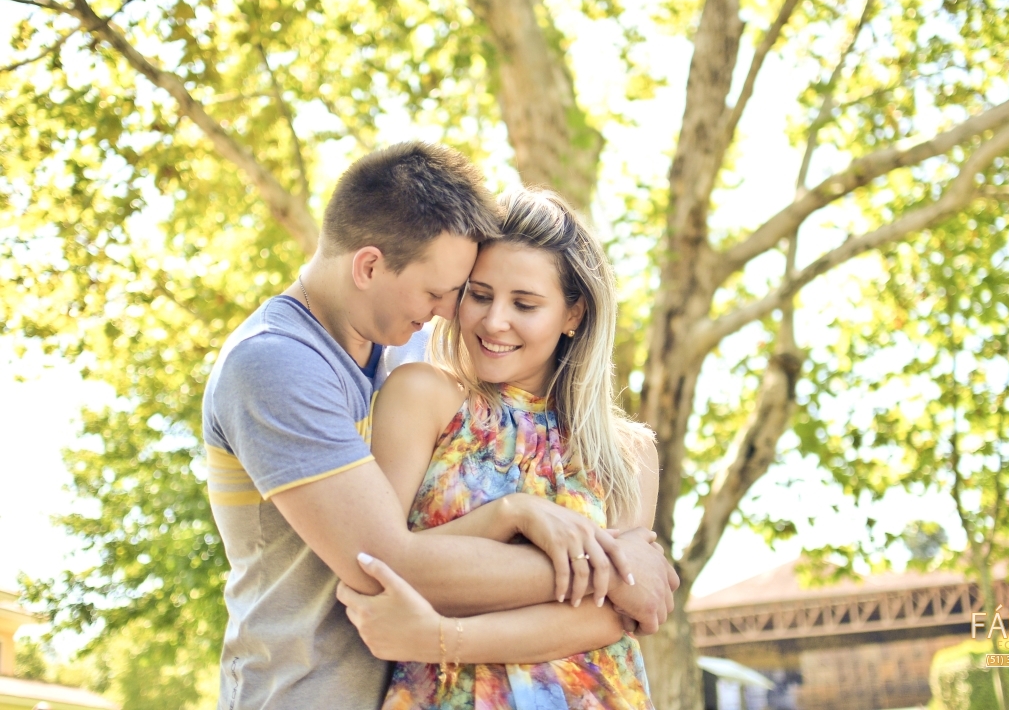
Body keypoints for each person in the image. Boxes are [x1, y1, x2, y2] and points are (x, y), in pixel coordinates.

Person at [202, 143, 677, 710]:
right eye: (450, 293)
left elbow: (616, 623)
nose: (455, 312)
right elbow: (384, 561)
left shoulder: (394, 354)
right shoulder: (278, 363)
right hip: (305, 693)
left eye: (460, 292)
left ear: (573, 313)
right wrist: (610, 570)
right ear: (369, 266)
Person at [337, 187, 660, 709]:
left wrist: (438, 638)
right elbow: (383, 565)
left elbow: (616, 612)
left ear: (573, 314)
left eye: (525, 304)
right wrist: (512, 514)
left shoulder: (627, 454)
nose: (494, 322)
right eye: (480, 295)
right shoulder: (422, 395)